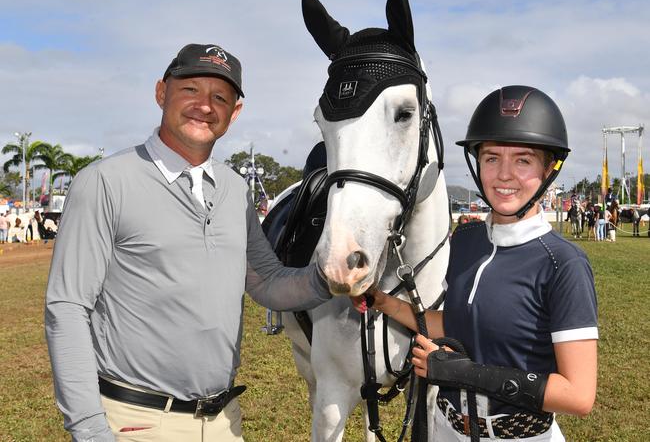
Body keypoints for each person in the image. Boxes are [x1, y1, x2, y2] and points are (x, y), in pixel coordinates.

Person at [45, 43, 332, 442]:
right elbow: (68, 307)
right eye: (190, 90)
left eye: (219, 97)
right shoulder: (105, 182)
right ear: (161, 93)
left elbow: (266, 281)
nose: (204, 105)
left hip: (222, 423)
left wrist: (327, 280)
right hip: (135, 423)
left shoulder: (234, 189)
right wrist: (90, 430)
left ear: (235, 113)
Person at [354, 86, 598, 441]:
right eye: (492, 157)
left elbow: (578, 395)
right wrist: (384, 302)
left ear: (549, 169)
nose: (504, 174)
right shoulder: (466, 241)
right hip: (444, 428)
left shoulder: (563, 264)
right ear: (477, 163)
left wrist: (466, 374)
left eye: (524, 160)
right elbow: (459, 324)